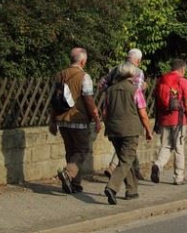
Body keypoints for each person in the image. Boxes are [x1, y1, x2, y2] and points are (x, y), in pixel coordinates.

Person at [49, 47, 101, 195]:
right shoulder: (84, 77)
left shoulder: (59, 75)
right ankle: (68, 173)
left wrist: (52, 121)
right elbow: (89, 101)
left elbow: (54, 100)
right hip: (79, 120)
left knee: (71, 152)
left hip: (62, 120)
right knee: (81, 151)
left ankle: (74, 184)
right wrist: (97, 119)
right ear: (83, 61)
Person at [103, 61, 154, 204]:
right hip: (130, 129)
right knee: (126, 160)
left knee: (125, 159)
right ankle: (112, 187)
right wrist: (148, 130)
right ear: (132, 74)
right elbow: (143, 113)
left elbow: (105, 113)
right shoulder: (134, 90)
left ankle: (132, 190)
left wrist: (108, 126)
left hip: (113, 129)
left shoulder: (110, 91)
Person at [99, 48, 147, 181]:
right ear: (138, 60)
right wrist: (143, 87)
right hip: (130, 112)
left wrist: (112, 91)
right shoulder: (138, 72)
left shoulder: (114, 69)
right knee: (128, 144)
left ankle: (135, 172)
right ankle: (114, 170)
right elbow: (135, 92)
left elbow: (101, 85)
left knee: (126, 147)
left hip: (113, 110)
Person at [151, 58, 187, 185]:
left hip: (164, 119)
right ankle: (179, 177)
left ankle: (158, 165)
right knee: (179, 148)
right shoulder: (182, 81)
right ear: (182, 69)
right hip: (179, 120)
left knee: (166, 146)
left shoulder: (161, 80)